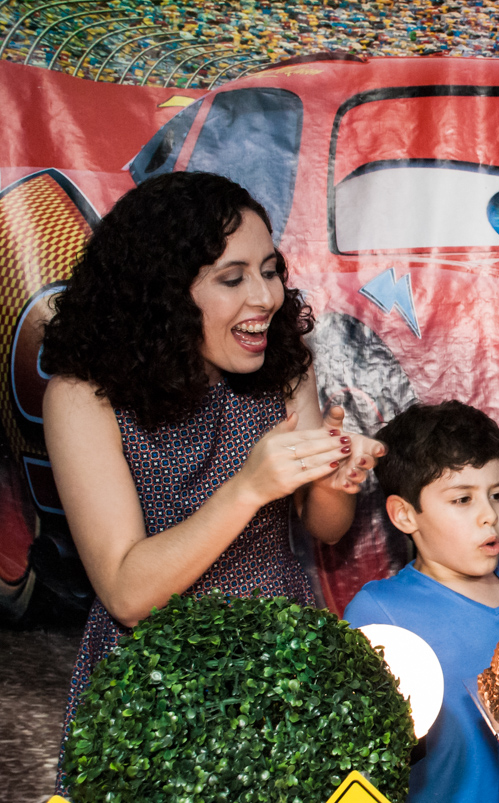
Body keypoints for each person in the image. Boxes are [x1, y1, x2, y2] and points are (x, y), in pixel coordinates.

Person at [42, 172, 384, 791]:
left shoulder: (284, 366)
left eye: (271, 269)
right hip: (155, 690)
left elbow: (324, 528)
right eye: (232, 279)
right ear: (164, 294)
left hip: (282, 661)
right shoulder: (83, 396)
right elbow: (126, 592)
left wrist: (338, 478)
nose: (266, 297)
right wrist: (249, 487)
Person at [343, 400, 499, 803]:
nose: (490, 516)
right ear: (404, 516)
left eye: (498, 494)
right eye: (462, 500)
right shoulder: (377, 615)